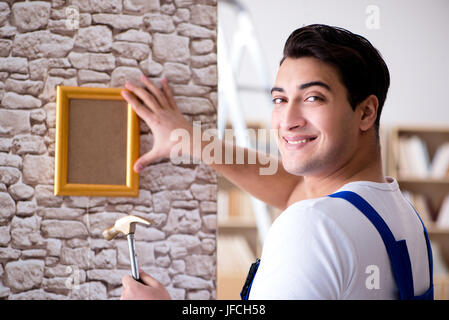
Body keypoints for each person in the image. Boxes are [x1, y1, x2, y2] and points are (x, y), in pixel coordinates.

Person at [120, 24, 433, 300]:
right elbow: (293, 188)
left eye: (313, 98)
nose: (288, 120)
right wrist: (187, 138)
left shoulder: (313, 225)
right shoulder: (402, 216)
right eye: (280, 99)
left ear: (365, 112)